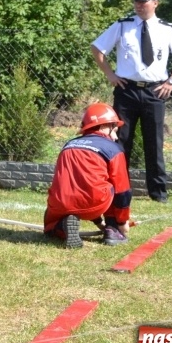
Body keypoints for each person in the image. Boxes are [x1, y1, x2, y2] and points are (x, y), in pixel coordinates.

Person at [91, 0, 172, 203]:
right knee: (121, 141)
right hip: (126, 90)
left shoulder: (167, 29)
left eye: (144, 1)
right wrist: (110, 74)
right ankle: (118, 189)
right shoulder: (122, 26)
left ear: (155, 2)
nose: (139, 5)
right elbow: (97, 48)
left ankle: (158, 193)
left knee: (154, 143)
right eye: (136, 2)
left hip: (154, 91)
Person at [43, 103, 133, 248]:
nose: (116, 134)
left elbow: (79, 185)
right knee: (112, 185)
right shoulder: (113, 149)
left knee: (50, 228)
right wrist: (122, 222)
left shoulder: (68, 145)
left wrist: (98, 222)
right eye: (115, 127)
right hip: (94, 203)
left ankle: (60, 227)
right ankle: (113, 230)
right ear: (104, 126)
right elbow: (123, 192)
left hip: (59, 203)